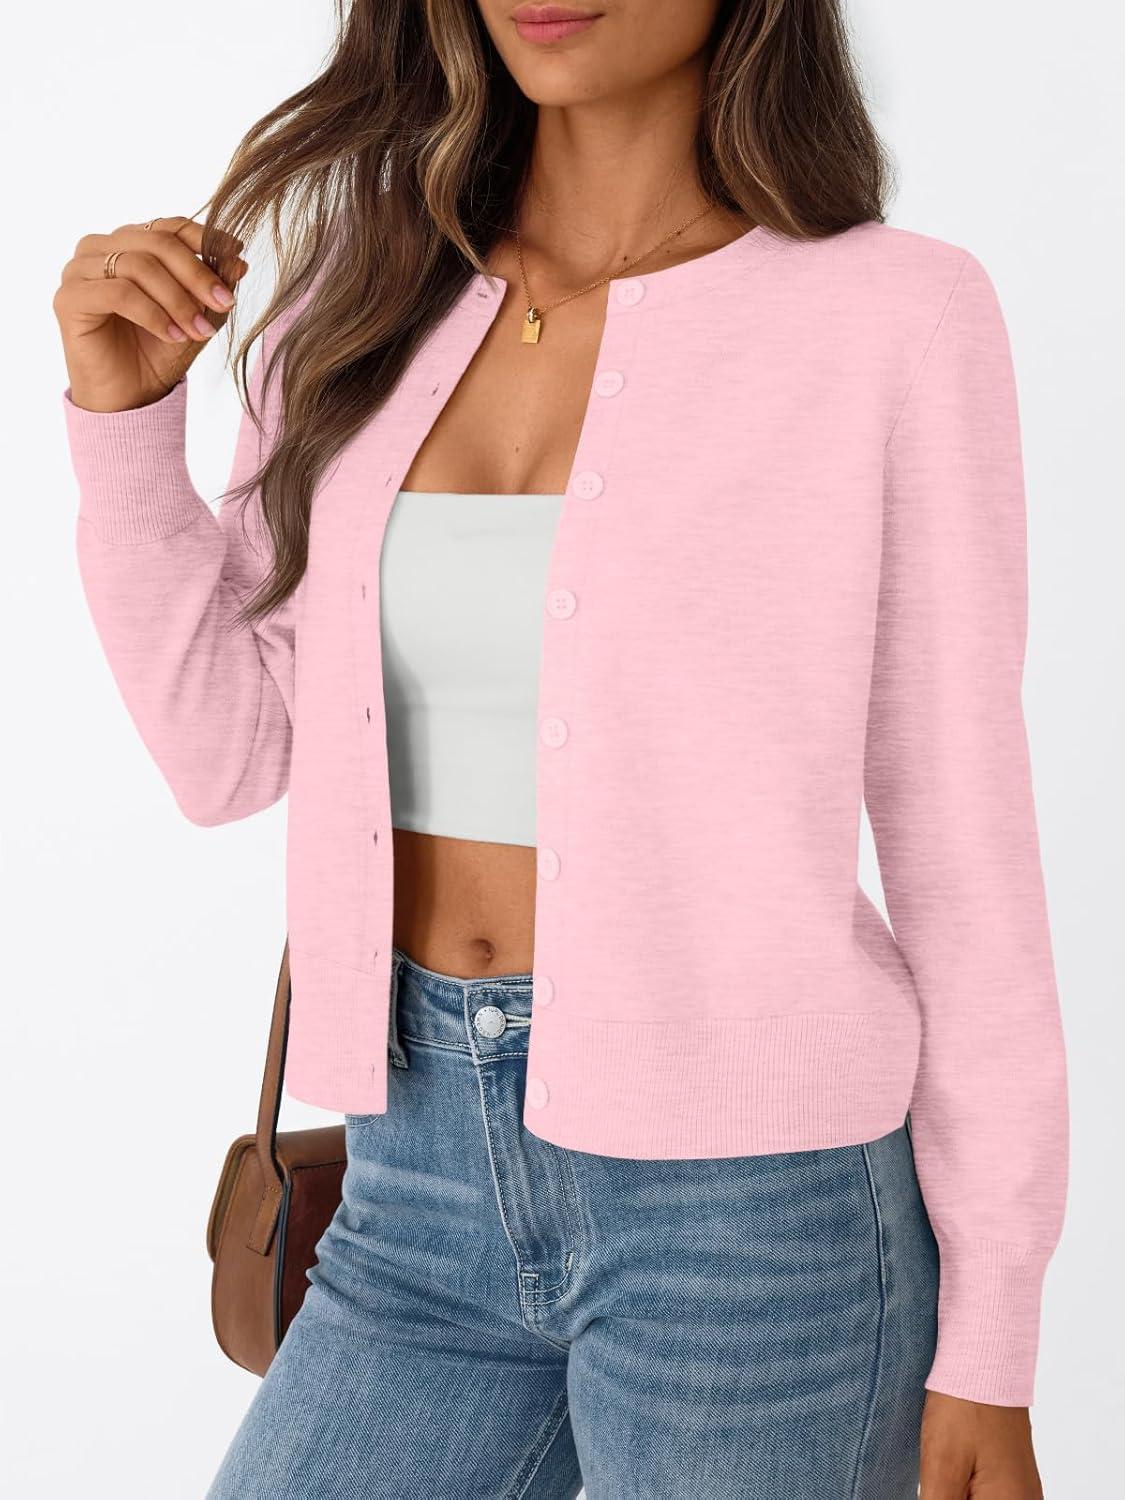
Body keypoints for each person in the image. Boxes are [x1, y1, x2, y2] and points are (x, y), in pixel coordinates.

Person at [54, 2, 1068, 1496]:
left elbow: (960, 838)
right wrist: (125, 420)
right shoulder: (355, 301)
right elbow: (229, 753)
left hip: (757, 1219)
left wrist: (993, 1336)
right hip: (410, 1178)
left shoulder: (890, 314)